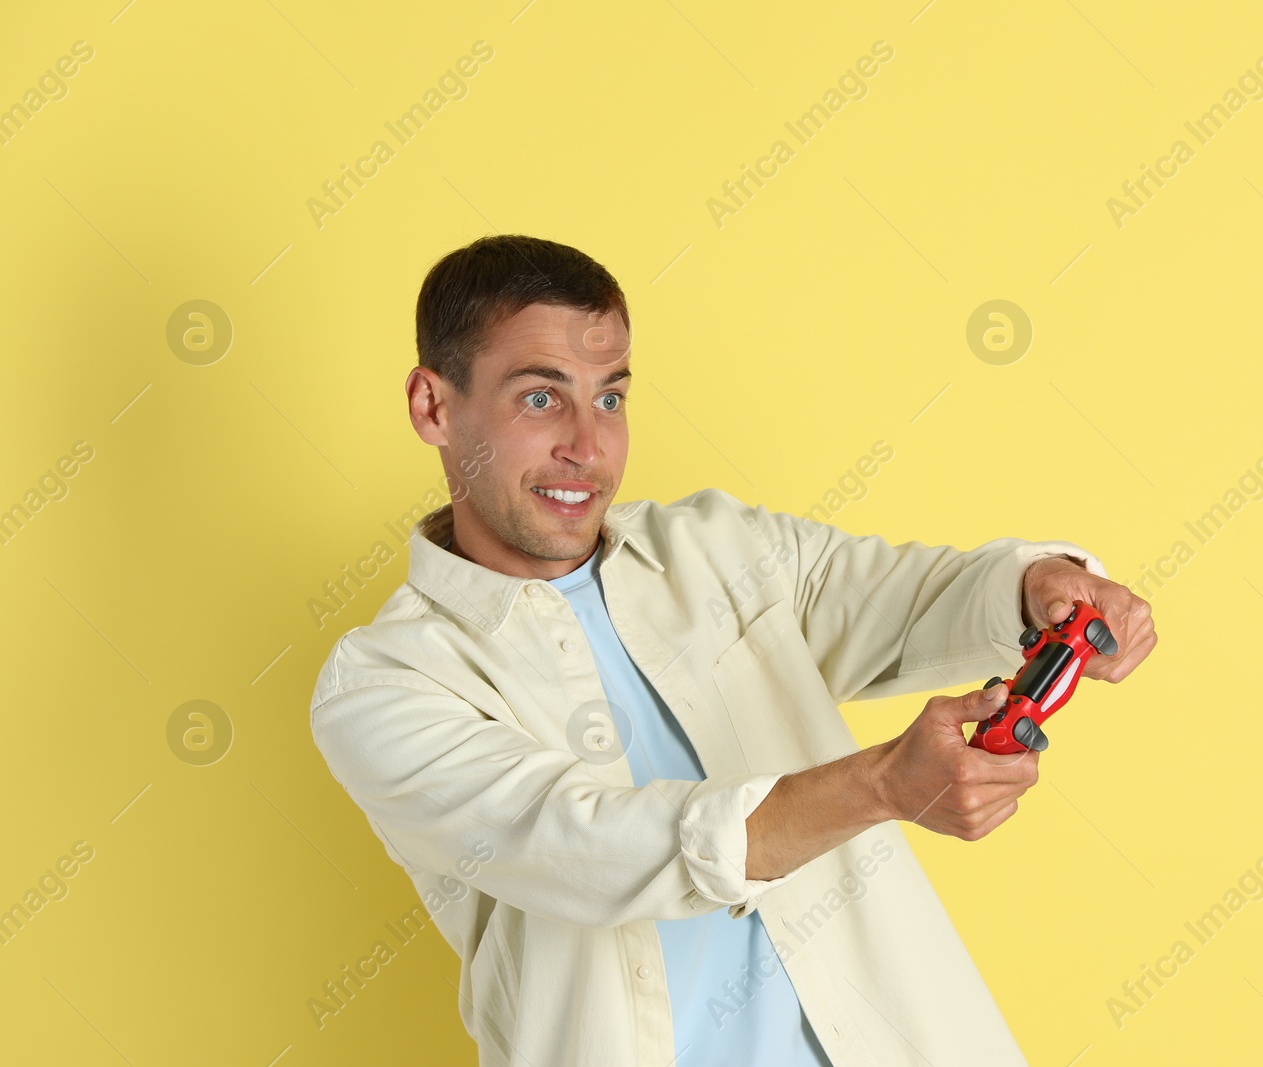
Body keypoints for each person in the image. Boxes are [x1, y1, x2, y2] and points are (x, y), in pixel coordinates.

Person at [308, 234, 1157, 1067]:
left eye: (610, 397)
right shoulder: (383, 684)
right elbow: (593, 847)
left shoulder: (717, 545)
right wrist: (880, 785)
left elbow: (911, 597)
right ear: (433, 405)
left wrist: (1042, 585)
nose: (589, 445)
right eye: (541, 397)